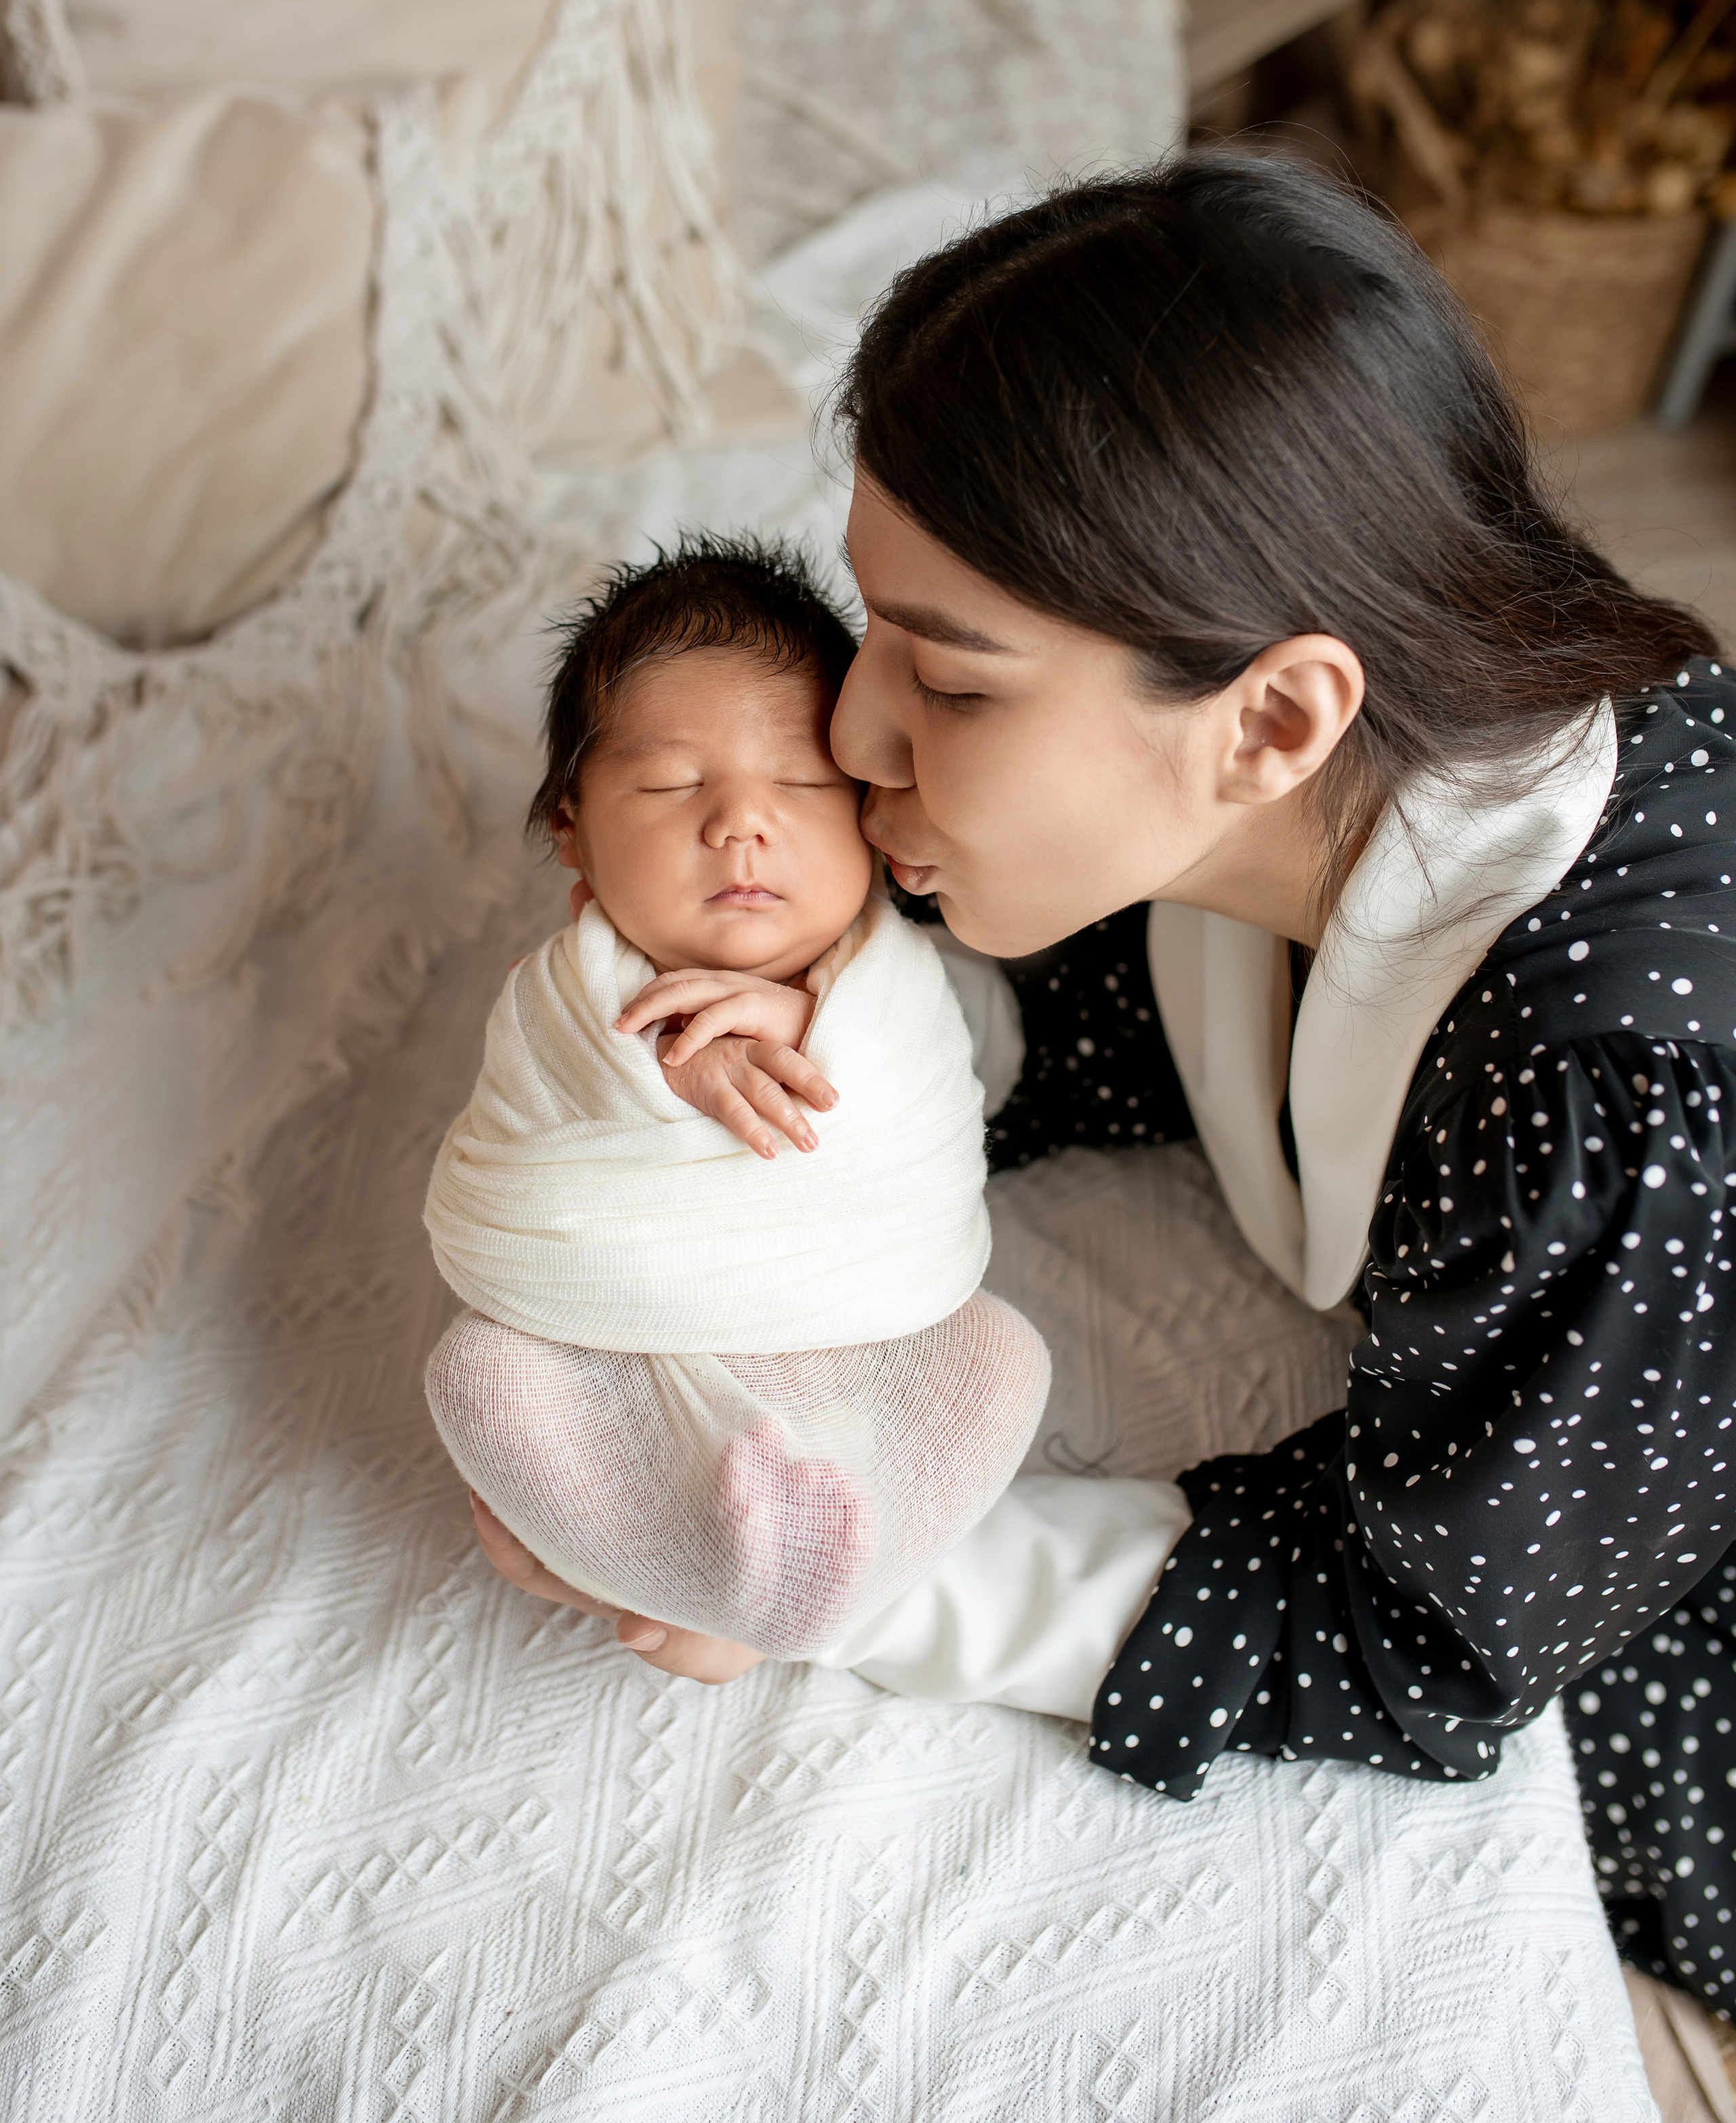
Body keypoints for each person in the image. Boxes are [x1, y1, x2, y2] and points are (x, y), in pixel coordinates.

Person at [472, 152, 1736, 2018]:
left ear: (1275, 718)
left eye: (953, 685)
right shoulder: (1348, 744)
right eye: (875, 623)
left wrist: (854, 1581)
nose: (849, 731)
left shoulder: (1626, 1117)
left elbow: (1421, 1638)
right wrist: (835, 1044)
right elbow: (1101, 1017)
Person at [427, 538, 1048, 1661]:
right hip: (626, 1356)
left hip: (861, 1358)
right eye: (670, 785)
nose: (741, 822)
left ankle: (719, 1590)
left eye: (803, 782)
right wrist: (663, 1062)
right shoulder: (562, 1001)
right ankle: (677, 1566)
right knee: (482, 1376)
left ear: (870, 807)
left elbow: (947, 1102)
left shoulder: (893, 984)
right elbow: (513, 1168)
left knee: (1004, 1361)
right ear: (570, 827)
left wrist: (826, 1037)